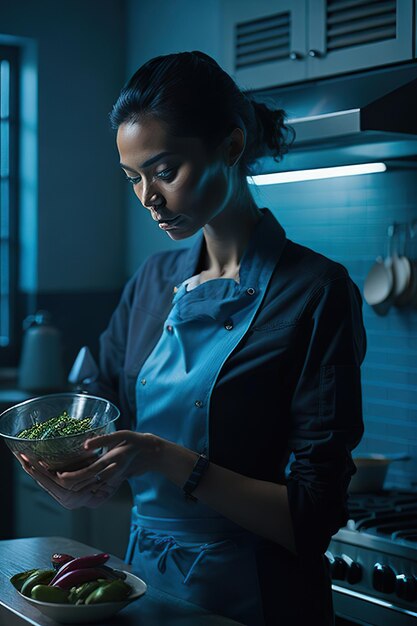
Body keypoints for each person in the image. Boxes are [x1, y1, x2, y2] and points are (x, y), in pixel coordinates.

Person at [15, 51, 366, 625]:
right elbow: (99, 406)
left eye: (164, 171)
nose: (149, 198)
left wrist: (164, 458)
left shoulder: (316, 292)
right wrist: (79, 477)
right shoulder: (154, 281)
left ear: (230, 148)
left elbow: (312, 516)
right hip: (142, 584)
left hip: (261, 597)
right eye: (133, 179)